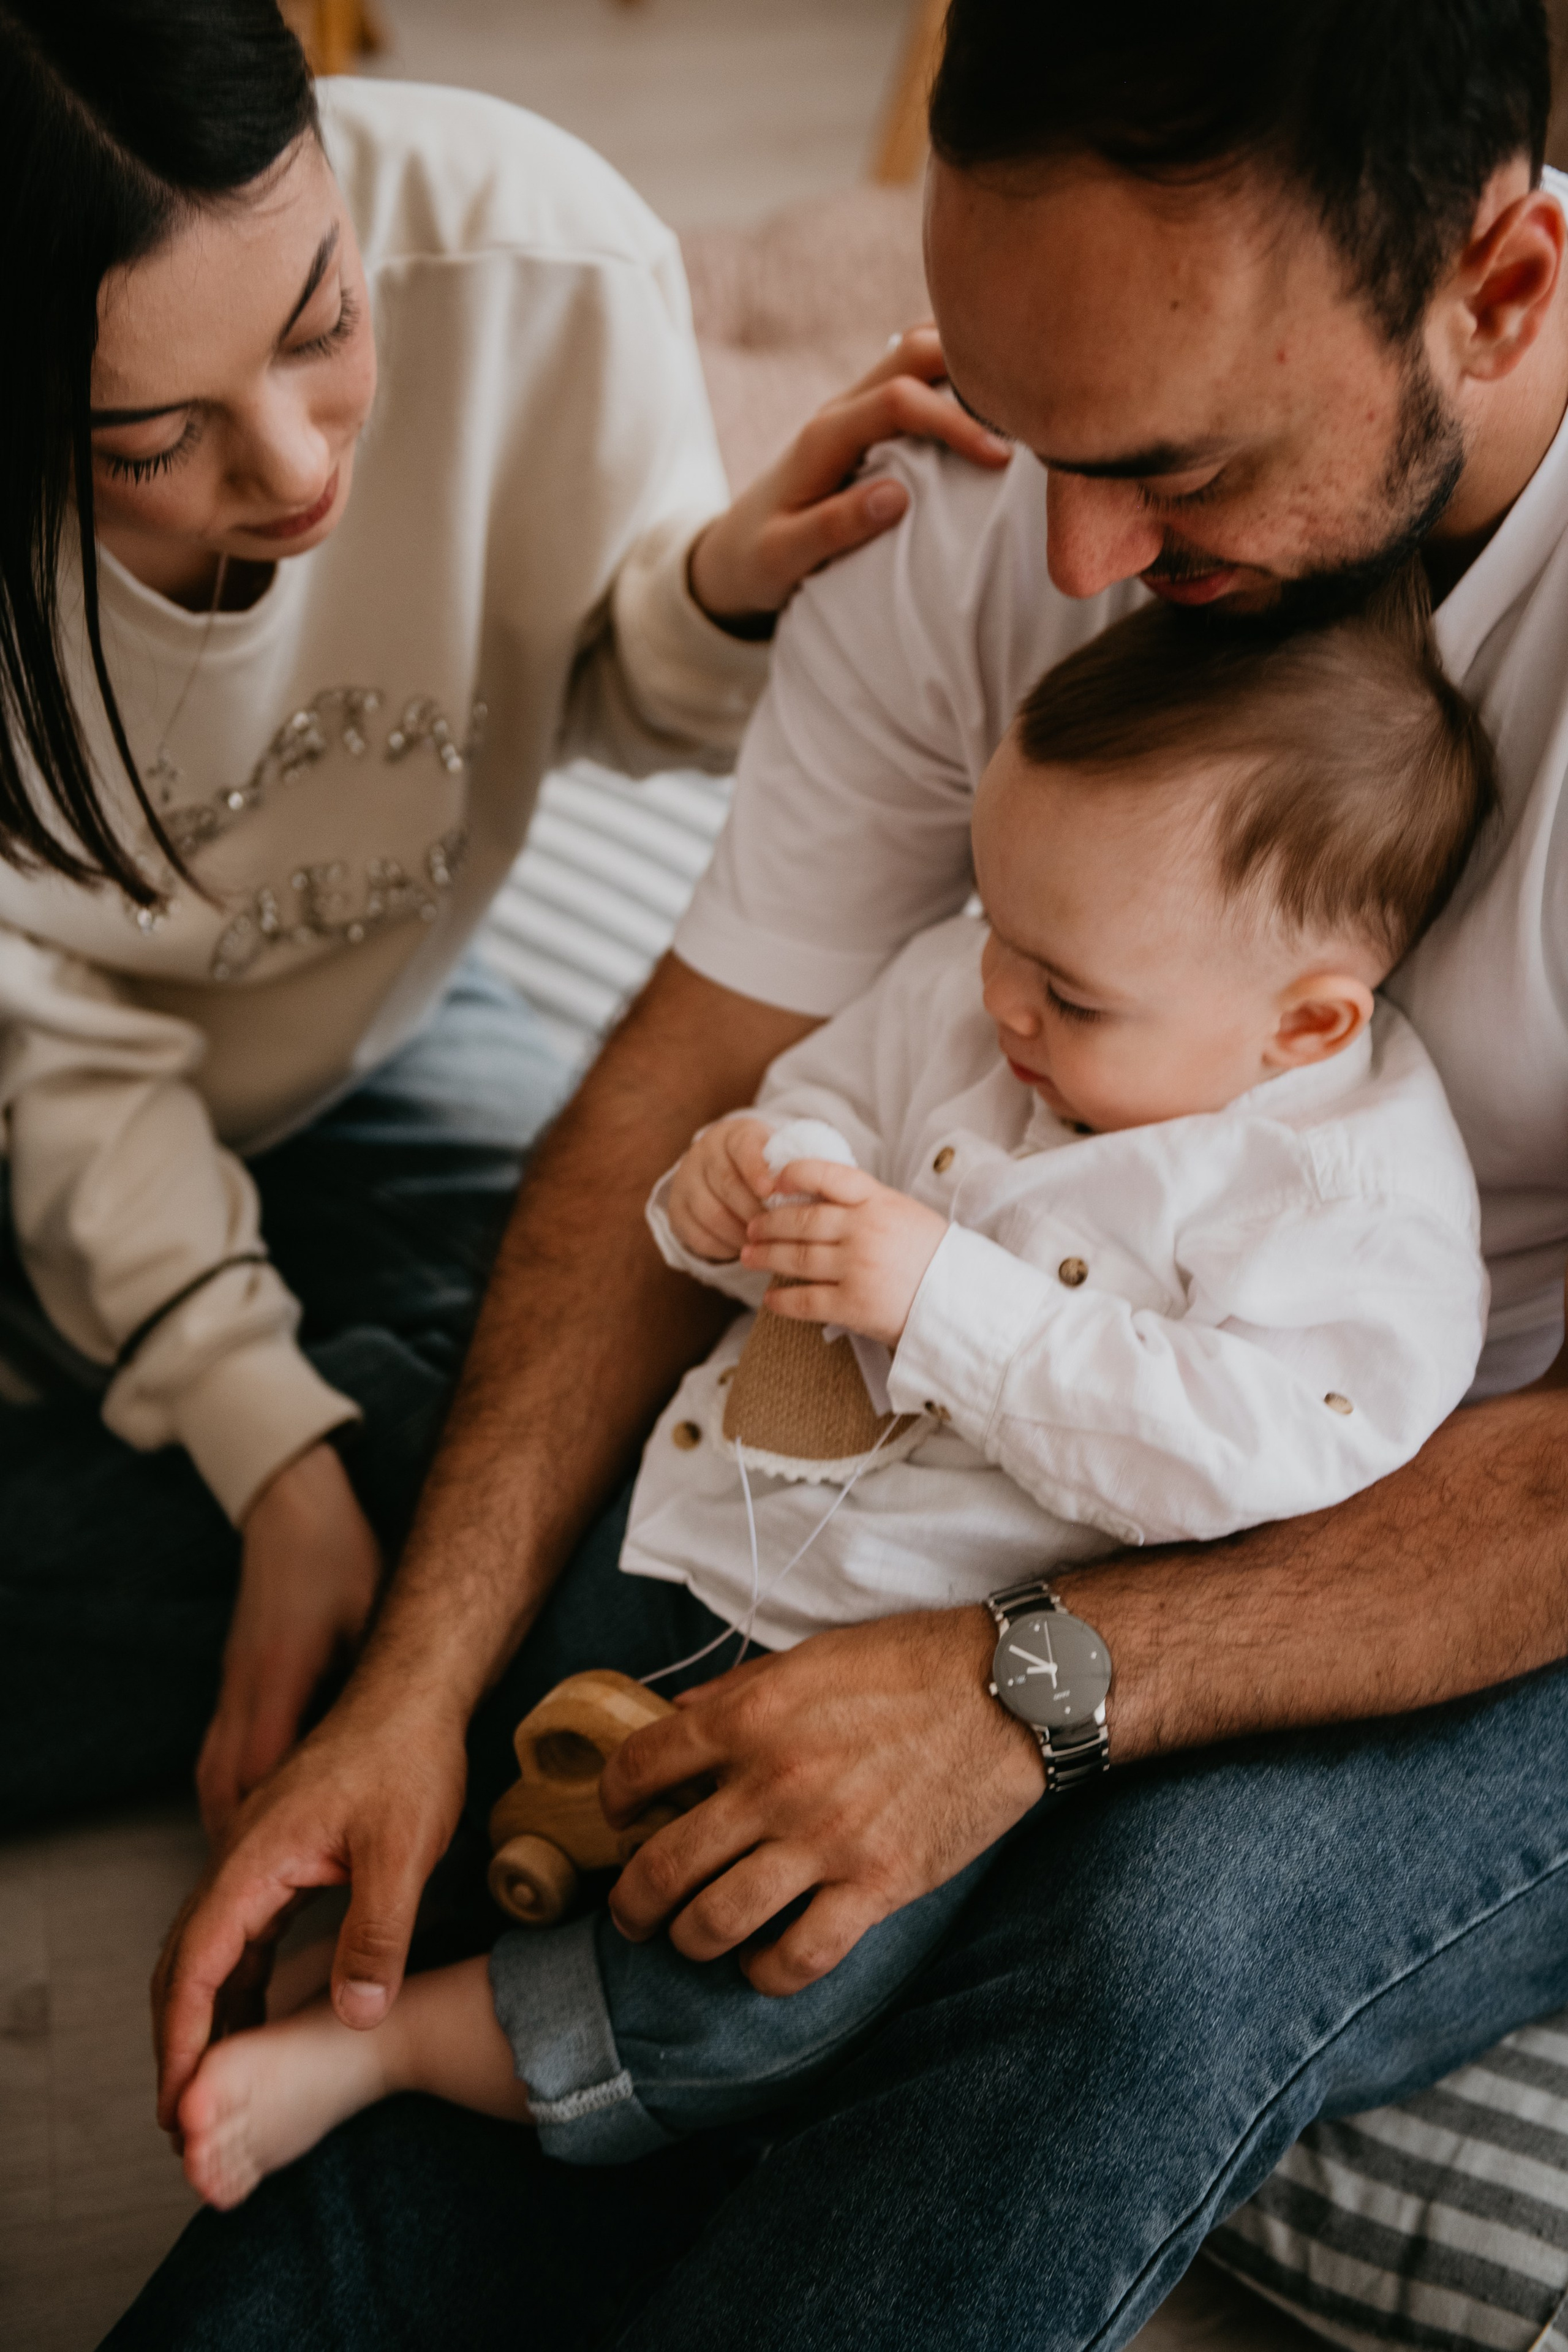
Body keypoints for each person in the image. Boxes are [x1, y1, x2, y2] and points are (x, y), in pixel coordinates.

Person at [123, 4, 1568, 2348]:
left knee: (1145, 1939)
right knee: (597, 1741)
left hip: (1495, 1478)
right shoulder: (1004, 485)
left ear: (1494, 291)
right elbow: (706, 1055)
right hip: (1003, 1357)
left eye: (1169, 463)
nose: (1075, 548)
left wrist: (1029, 1690)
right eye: (1026, 420)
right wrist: (421, 1674)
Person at [166, 577, 1499, 2210]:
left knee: (764, 1987)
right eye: (995, 925)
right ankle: (399, 1927)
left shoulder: (1354, 1218)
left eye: (1070, 993)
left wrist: (940, 1294)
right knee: (519, 1706)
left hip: (900, 1668)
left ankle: (394, 2051)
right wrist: (759, 1169)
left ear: (1306, 1024)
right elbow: (826, 1096)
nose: (1002, 997)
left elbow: (1254, 1457)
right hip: (698, 1505)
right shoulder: (980, 985)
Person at [0, 1, 1000, 1837]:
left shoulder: (526, 245)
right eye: (154, 439)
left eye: (324, 326)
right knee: (446, 1490)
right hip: (33, 1103)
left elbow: (613, 699)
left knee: (629, 1380)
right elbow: (46, 1050)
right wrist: (269, 1441)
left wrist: (712, 584)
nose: (300, 467)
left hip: (371, 1035)